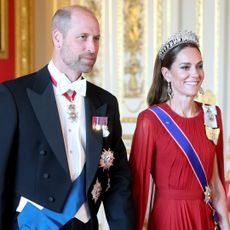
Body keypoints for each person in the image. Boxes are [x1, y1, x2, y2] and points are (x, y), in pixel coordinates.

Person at [0, 5, 134, 230]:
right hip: (31, 224)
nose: (92, 47)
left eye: (96, 39)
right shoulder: (14, 95)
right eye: (83, 37)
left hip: (82, 224)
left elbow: (118, 179)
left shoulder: (105, 103)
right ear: (58, 38)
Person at [129, 30, 230, 230]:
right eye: (185, 67)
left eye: (199, 66)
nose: (196, 74)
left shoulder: (212, 114)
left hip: (204, 218)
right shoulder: (150, 120)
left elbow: (216, 183)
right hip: (169, 218)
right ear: (167, 74)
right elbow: (138, 186)